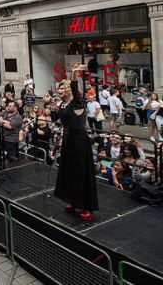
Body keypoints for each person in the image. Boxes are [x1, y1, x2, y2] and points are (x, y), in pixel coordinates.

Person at [54, 64, 99, 221]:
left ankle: (87, 206)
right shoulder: (62, 104)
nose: (58, 92)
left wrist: (73, 72)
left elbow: (74, 86)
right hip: (68, 140)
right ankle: (72, 201)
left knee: (81, 173)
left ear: (67, 90)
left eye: (60, 89)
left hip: (79, 141)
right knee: (68, 172)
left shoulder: (77, 102)